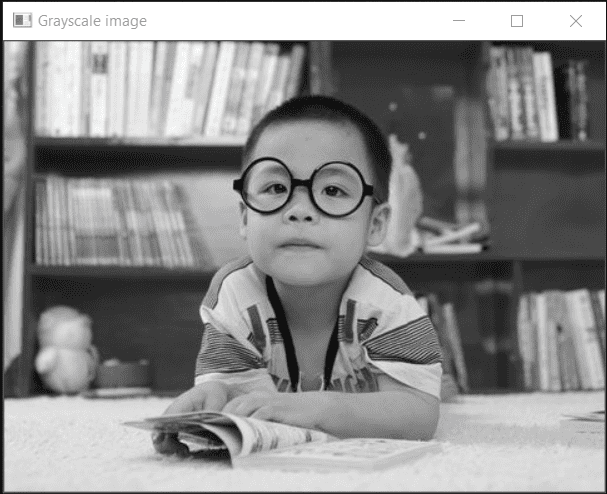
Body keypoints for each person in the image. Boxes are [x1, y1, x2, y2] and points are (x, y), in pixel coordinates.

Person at [153, 95, 443, 457]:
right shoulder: (234, 293)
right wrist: (214, 399)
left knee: (440, 389)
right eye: (276, 188)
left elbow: (419, 414)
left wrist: (316, 408)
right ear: (245, 217)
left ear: (376, 224)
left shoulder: (388, 303)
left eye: (333, 190)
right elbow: (238, 396)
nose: (300, 210)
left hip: (386, 379)